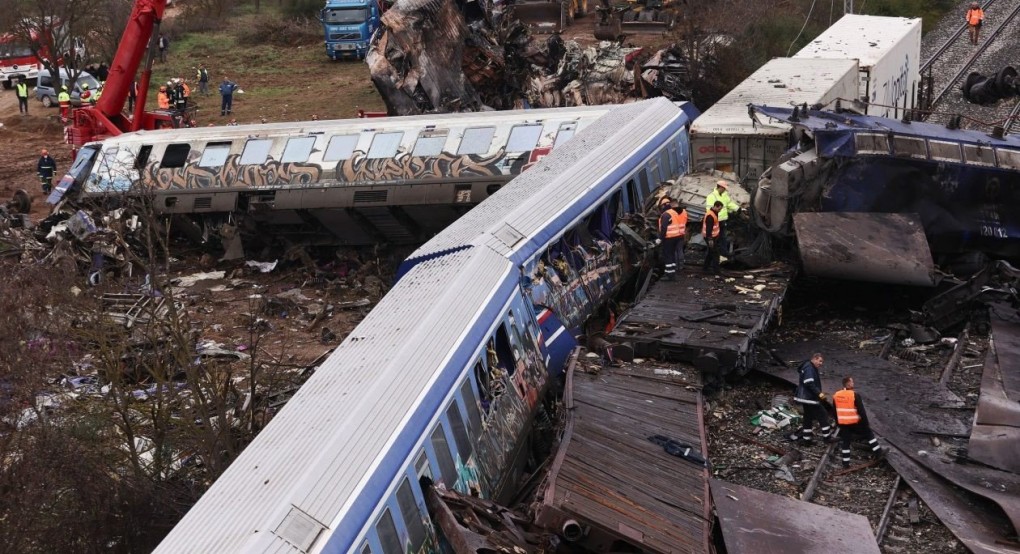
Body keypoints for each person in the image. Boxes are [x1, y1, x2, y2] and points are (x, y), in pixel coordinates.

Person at [833, 376, 887, 467]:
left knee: (846, 442)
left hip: (843, 423)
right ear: (848, 384)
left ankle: (845, 463)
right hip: (854, 422)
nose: (853, 383)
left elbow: (835, 412)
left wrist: (838, 423)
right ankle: (878, 452)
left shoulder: (836, 395)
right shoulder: (854, 395)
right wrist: (866, 424)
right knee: (869, 433)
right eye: (852, 382)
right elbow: (861, 411)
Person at [788, 353, 835, 446]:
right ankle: (827, 437)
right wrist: (820, 394)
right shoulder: (809, 368)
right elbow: (809, 383)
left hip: (805, 398)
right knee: (823, 414)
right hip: (809, 398)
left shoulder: (807, 366)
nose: (821, 363)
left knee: (808, 418)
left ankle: (806, 440)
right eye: (820, 361)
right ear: (814, 359)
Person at [705, 180, 740, 254]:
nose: (725, 189)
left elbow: (729, 204)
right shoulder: (711, 196)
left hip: (723, 221)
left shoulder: (725, 195)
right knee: (715, 239)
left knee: (723, 238)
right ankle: (714, 255)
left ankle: (723, 254)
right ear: (720, 187)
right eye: (724, 188)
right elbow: (709, 210)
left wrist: (738, 208)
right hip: (715, 222)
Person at [656, 196, 687, 281]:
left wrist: (660, 239)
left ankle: (669, 275)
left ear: (664, 205)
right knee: (673, 255)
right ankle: (672, 273)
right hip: (678, 236)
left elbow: (663, 228)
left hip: (669, 238)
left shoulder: (666, 214)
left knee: (668, 256)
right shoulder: (676, 212)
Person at [702, 200, 722, 275]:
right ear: (715, 206)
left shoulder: (714, 213)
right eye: (719, 209)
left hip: (713, 236)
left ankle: (705, 268)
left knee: (711, 252)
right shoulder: (710, 216)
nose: (720, 211)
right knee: (715, 253)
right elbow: (708, 229)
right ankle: (716, 271)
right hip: (710, 237)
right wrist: (710, 239)